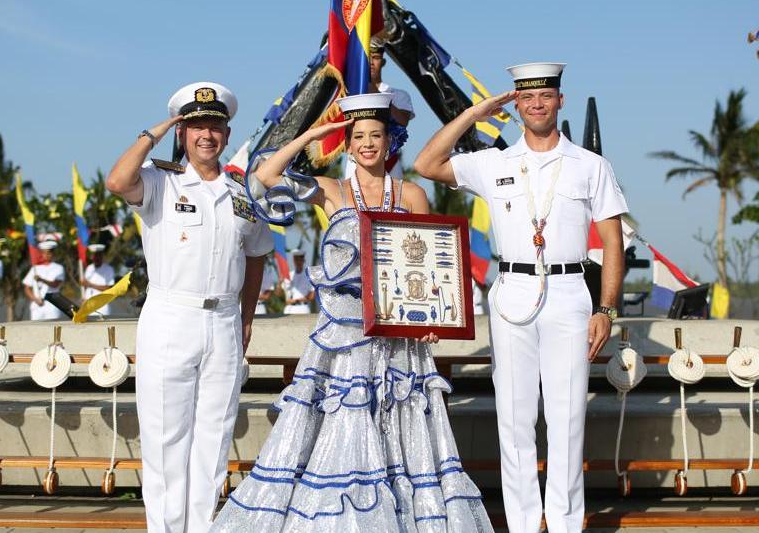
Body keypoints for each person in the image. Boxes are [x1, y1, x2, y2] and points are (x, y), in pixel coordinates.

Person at [213, 92, 491, 531]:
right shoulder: (330, 190)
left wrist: (435, 319)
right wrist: (312, 134)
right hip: (343, 340)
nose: (367, 144)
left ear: (390, 140)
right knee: (345, 426)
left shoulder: (414, 193)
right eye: (357, 136)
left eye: (375, 135)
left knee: (401, 431)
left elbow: (431, 266)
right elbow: (263, 178)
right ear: (346, 144)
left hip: (401, 339)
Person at [415, 63, 629, 533]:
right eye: (526, 97)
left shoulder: (591, 165)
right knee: (514, 421)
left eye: (545, 96)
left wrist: (606, 308)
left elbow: (613, 242)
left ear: (560, 101)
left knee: (567, 417)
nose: (536, 104)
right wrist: (476, 112)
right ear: (516, 105)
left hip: (571, 291)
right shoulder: (494, 162)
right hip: (512, 290)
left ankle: (567, 524)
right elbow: (425, 164)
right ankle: (525, 523)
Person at [106, 81, 272, 532]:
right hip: (170, 318)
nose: (206, 135)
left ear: (226, 133)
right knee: (165, 441)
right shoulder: (161, 182)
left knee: (213, 441)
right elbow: (117, 181)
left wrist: (247, 318)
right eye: (196, 125)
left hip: (222, 322)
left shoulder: (242, 193)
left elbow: (256, 254)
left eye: (215, 126)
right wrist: (153, 133)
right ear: (182, 132)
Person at [23, 240, 65, 321]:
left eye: (49, 253)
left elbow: (55, 284)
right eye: (44, 253)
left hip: (52, 304)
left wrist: (41, 280)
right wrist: (35, 299)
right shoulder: (35, 268)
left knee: (53, 329)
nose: (46, 255)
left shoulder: (58, 268)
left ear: (53, 254)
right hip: (37, 303)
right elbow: (27, 288)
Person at [79, 243, 115, 317]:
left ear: (102, 256)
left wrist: (90, 284)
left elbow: (108, 288)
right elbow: (86, 286)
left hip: (102, 307)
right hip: (88, 307)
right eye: (94, 256)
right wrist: (84, 298)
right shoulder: (89, 268)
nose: (96, 258)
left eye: (98, 256)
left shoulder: (108, 269)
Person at [281, 249, 314, 314]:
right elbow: (279, 293)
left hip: (303, 308)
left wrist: (297, 300)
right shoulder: (289, 275)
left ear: (303, 260)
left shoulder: (309, 276)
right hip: (289, 309)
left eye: (300, 260)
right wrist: (280, 282)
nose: (298, 262)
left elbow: (312, 296)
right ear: (294, 260)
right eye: (296, 260)